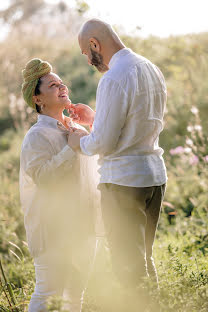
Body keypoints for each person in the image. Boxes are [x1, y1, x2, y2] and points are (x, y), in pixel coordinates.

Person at [68, 18, 167, 311]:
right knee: (145, 260)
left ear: (95, 44)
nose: (87, 60)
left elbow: (104, 144)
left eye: (86, 52)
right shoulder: (151, 68)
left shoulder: (113, 78)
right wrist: (97, 119)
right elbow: (137, 122)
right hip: (154, 178)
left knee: (127, 268)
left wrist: (79, 142)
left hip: (123, 183)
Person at [20, 58, 97, 312]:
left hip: (84, 224)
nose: (62, 87)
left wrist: (93, 123)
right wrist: (70, 151)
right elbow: (41, 178)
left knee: (76, 295)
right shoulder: (36, 136)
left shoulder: (77, 128)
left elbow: (102, 157)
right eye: (53, 85)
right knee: (47, 294)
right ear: (38, 99)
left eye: (62, 83)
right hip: (53, 228)